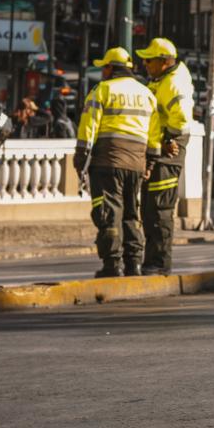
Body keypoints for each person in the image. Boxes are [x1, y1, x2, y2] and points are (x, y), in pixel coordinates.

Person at [75, 47, 160, 277]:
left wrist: (80, 159)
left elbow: (88, 128)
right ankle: (134, 264)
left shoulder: (102, 90)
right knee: (133, 214)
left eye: (104, 67)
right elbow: (154, 136)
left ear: (111, 68)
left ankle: (112, 265)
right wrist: (149, 164)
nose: (103, 71)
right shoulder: (147, 95)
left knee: (109, 212)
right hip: (137, 165)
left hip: (108, 162)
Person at [136, 37, 194, 275]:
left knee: (160, 209)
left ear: (164, 61)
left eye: (150, 61)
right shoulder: (160, 81)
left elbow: (181, 119)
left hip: (168, 150)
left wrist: (168, 141)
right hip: (158, 148)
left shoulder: (173, 83)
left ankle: (159, 263)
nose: (145, 65)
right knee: (149, 209)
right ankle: (152, 260)